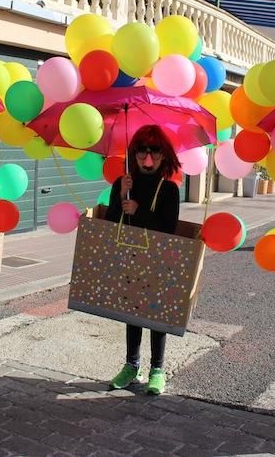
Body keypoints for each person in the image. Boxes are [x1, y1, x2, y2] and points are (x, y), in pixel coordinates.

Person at [104, 125, 181, 395]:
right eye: (141, 151)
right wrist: (119, 195)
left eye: (154, 151)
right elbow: (111, 222)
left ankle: (157, 369)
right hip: (130, 257)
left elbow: (168, 228)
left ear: (164, 155)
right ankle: (131, 365)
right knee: (132, 313)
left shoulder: (169, 189)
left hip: (159, 260)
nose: (147, 157)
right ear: (133, 154)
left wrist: (139, 211)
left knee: (156, 314)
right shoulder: (123, 184)